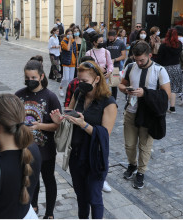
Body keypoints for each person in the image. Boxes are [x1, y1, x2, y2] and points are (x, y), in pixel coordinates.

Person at [50, 60, 117, 218]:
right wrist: (60, 119)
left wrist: (84, 124)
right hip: (77, 154)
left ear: (97, 79)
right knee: (81, 197)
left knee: (94, 198)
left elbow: (104, 134)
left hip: (95, 156)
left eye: (85, 81)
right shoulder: (79, 93)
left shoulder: (108, 102)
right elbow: (69, 114)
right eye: (79, 80)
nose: (80, 84)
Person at [118, 41, 171, 189]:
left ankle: (141, 172)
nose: (139, 62)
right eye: (136, 59)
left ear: (150, 55)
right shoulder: (130, 66)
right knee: (129, 144)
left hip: (149, 115)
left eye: (141, 60)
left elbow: (166, 95)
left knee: (145, 146)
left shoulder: (159, 70)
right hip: (131, 110)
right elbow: (122, 84)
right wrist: (126, 89)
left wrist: (145, 93)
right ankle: (132, 165)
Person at [15, 60, 61, 219]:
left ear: (41, 76)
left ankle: (49, 213)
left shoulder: (51, 97)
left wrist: (39, 126)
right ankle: (32, 207)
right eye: (27, 78)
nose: (29, 81)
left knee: (49, 179)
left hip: (45, 149)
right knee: (29, 180)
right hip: (25, 148)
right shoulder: (19, 95)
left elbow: (57, 126)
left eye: (33, 77)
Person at [157, 29, 183, 113]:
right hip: (176, 67)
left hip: (165, 68)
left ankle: (162, 106)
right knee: (173, 88)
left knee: (163, 87)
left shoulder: (164, 45)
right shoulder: (179, 44)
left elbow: (159, 58)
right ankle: (172, 108)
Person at [105, 30, 127, 100]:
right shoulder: (106, 43)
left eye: (111, 38)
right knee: (104, 84)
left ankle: (114, 100)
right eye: (109, 38)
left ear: (116, 37)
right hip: (105, 66)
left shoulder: (120, 43)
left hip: (116, 67)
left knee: (114, 85)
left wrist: (114, 60)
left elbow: (124, 56)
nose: (110, 40)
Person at [59, 28, 77, 97]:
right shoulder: (63, 42)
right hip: (66, 62)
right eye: (68, 34)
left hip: (73, 62)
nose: (70, 35)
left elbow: (75, 52)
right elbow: (68, 48)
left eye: (71, 34)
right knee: (65, 78)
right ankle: (60, 88)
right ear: (66, 35)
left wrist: (76, 62)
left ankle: (69, 91)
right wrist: (69, 40)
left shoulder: (74, 42)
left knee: (70, 79)